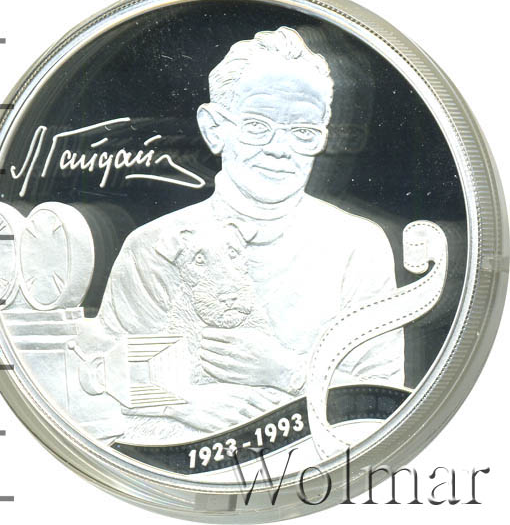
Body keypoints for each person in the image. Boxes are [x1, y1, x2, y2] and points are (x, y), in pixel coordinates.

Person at [97, 26, 404, 440]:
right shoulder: (154, 247)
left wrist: (284, 371)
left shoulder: (358, 246)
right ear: (214, 128)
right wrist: (186, 404)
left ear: (323, 138)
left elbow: (382, 404)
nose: (280, 149)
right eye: (258, 125)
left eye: (303, 132)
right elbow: (105, 380)